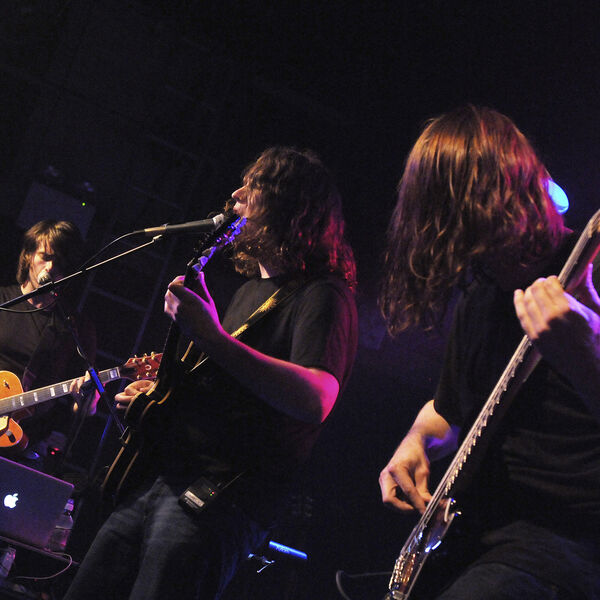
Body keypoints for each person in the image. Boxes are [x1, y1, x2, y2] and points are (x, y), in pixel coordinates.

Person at [64, 146, 359, 600]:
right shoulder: (249, 291)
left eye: (253, 188)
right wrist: (162, 391)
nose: (236, 195)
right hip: (163, 480)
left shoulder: (322, 295)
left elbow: (316, 398)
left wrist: (212, 337)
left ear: (289, 206)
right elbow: (229, 385)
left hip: (219, 498)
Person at [378, 106, 600, 599]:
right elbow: (449, 408)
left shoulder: (591, 268)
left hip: (566, 543)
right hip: (481, 537)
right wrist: (416, 440)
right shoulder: (479, 299)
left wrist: (588, 353)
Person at [0, 219, 98, 473]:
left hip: (23, 443)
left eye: (61, 263)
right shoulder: (2, 302)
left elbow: (82, 408)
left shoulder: (76, 328)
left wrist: (88, 400)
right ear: (29, 256)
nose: (51, 267)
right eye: (45, 257)